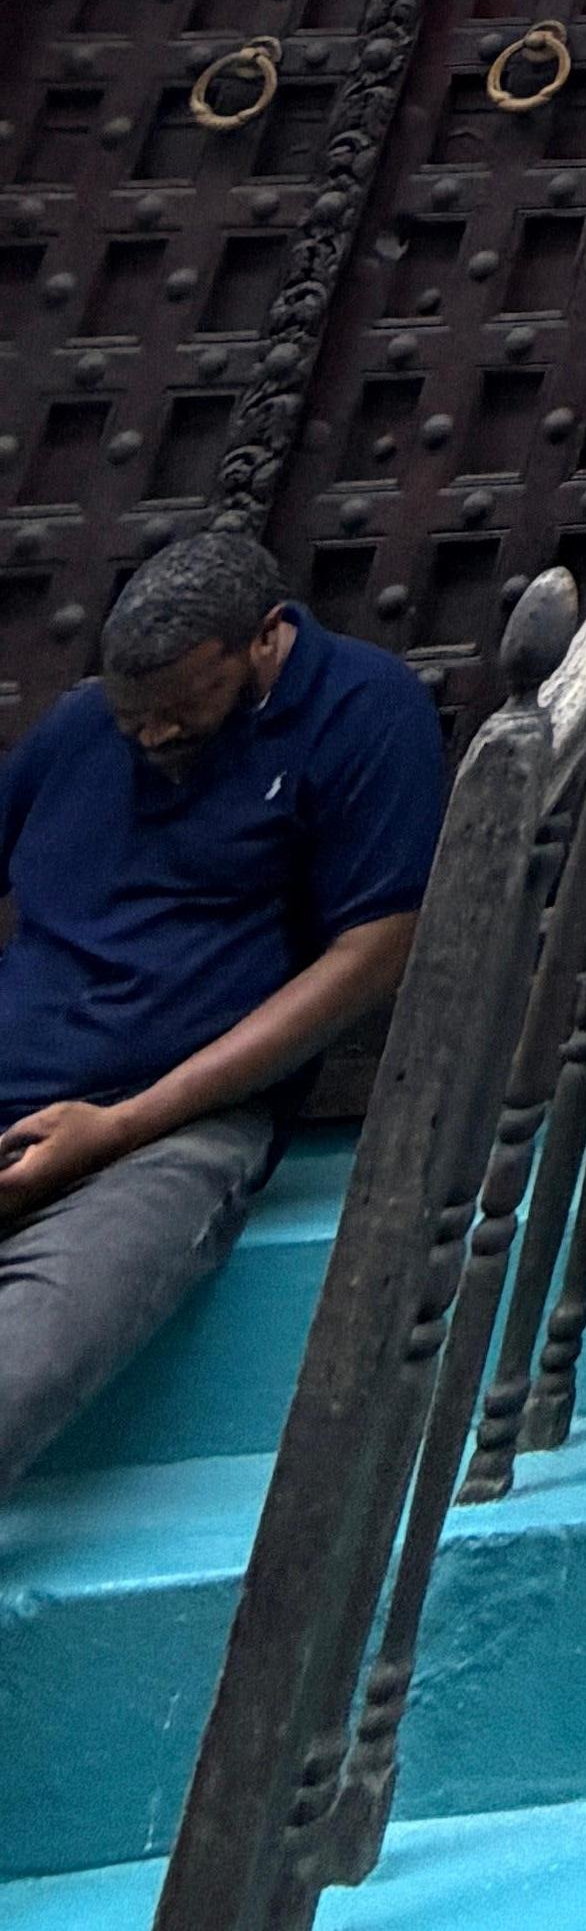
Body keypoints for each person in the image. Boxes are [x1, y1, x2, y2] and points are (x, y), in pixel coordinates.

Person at [0, 526, 448, 1491]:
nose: (152, 734)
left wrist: (120, 1125)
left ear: (267, 638)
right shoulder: (84, 727)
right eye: (132, 712)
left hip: (168, 1136)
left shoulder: (365, 712)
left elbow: (375, 952)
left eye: (179, 708)